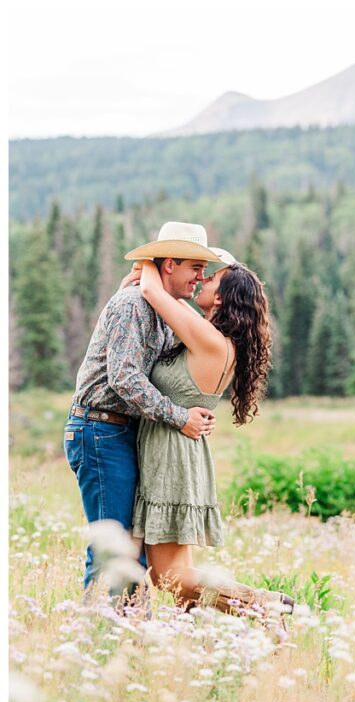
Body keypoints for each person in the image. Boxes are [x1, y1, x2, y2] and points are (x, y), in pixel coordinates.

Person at [123, 242, 295, 621]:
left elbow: (153, 291)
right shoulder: (208, 335)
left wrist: (150, 262)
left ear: (224, 296)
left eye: (212, 276)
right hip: (175, 447)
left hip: (171, 454)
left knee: (168, 576)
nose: (201, 277)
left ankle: (266, 603)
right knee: (173, 578)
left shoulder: (211, 341)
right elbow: (164, 300)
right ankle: (230, 627)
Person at [64, 222, 220, 600]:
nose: (201, 278)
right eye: (194, 268)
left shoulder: (164, 310)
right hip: (100, 431)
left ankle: (130, 634)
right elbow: (124, 379)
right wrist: (179, 417)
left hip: (122, 432)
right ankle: (100, 635)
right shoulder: (132, 304)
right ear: (168, 265)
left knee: (131, 545)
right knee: (114, 545)